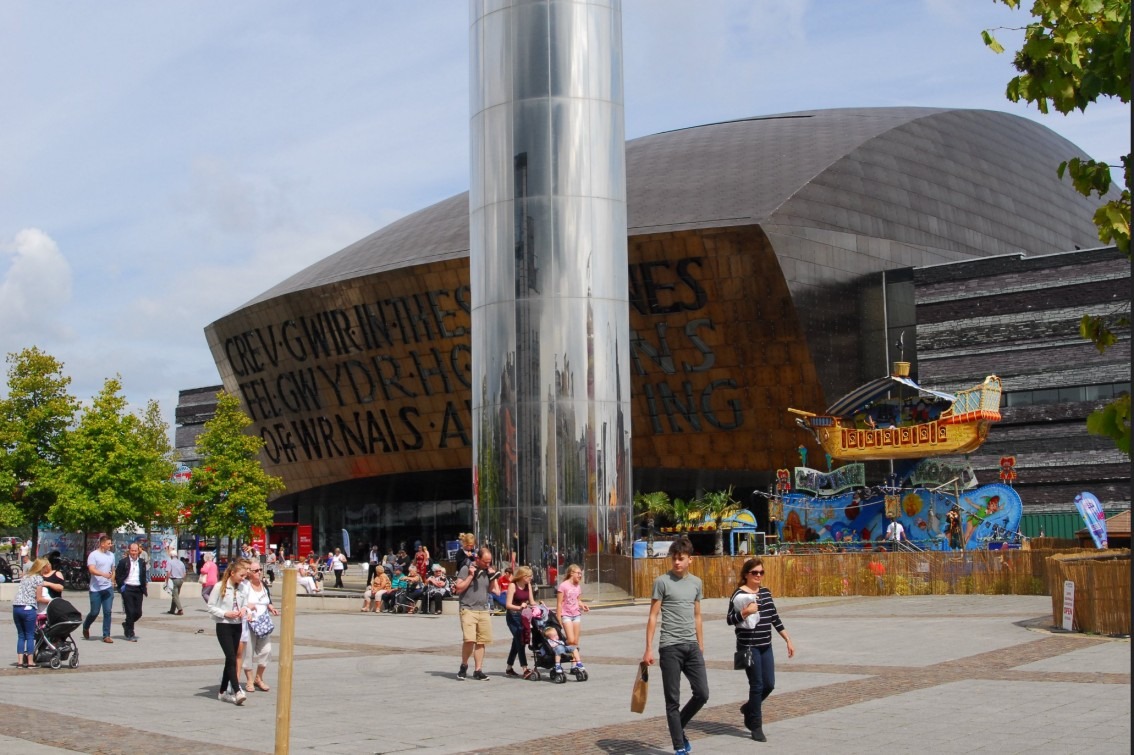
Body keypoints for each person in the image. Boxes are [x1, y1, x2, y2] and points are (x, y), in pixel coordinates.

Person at [643, 536, 706, 755]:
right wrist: (648, 648)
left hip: (691, 646)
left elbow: (698, 615)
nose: (677, 562)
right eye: (674, 559)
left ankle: (678, 727)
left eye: (681, 558)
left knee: (702, 693)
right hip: (669, 647)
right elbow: (653, 616)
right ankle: (679, 747)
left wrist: (700, 642)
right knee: (673, 700)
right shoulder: (662, 582)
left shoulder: (696, 583)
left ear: (690, 559)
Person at [730, 557, 795, 742]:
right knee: (757, 685)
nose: (758, 575)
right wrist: (745, 612)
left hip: (766, 645)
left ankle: (749, 707)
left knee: (769, 684)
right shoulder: (739, 595)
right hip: (749, 646)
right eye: (755, 572)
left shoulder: (765, 593)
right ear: (746, 574)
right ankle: (755, 725)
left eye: (761, 572)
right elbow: (729, 619)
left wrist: (787, 639)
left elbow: (774, 617)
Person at [206, 558, 251, 705]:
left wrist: (244, 610)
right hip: (224, 624)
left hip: (237, 624)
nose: (243, 579)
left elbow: (246, 604)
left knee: (230, 658)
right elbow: (211, 606)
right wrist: (225, 613)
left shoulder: (243, 587)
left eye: (245, 576)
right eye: (241, 576)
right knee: (231, 657)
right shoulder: (220, 586)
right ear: (232, 573)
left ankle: (222, 691)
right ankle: (237, 690)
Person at [453, 545, 501, 680]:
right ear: (477, 558)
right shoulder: (466, 568)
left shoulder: (487, 571)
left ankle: (478, 670)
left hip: (483, 609)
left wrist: (493, 577)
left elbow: (495, 591)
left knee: (481, 641)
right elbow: (458, 588)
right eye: (485, 561)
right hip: (468, 608)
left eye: (489, 561)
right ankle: (464, 665)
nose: (488, 564)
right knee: (469, 640)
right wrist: (470, 576)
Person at [240, 560, 280, 694]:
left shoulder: (263, 585)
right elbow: (242, 602)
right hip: (249, 623)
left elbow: (267, 600)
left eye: (260, 570)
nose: (259, 572)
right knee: (248, 653)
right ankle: (250, 680)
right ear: (249, 573)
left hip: (263, 623)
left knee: (266, 651)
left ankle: (259, 677)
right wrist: (247, 611)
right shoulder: (245, 586)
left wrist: (271, 607)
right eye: (255, 570)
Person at [12, 558, 51, 668]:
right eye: (45, 567)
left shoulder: (25, 577)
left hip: (16, 607)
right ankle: (30, 662)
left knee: (21, 635)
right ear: (41, 568)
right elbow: (39, 598)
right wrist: (52, 601)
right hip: (29, 609)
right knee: (29, 635)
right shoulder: (38, 579)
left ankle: (20, 662)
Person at [504, 565, 536, 678]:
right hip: (513, 616)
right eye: (529, 576)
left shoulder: (528, 585)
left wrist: (540, 607)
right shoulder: (513, 585)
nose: (531, 578)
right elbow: (507, 605)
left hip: (523, 616)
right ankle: (525, 668)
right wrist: (519, 607)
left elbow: (532, 601)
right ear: (523, 576)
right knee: (520, 641)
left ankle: (509, 668)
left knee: (516, 642)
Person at [82, 535, 117, 644]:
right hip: (95, 588)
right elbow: (92, 570)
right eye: (108, 543)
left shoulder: (111, 555)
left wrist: (112, 580)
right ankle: (86, 626)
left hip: (107, 588)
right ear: (102, 544)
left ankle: (106, 635)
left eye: (110, 543)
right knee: (94, 612)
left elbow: (113, 569)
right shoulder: (94, 555)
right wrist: (103, 574)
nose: (110, 545)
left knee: (107, 612)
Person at [557, 563, 589, 673]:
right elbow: (559, 603)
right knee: (570, 640)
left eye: (581, 574)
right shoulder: (563, 586)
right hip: (566, 615)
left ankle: (574, 665)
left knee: (575, 641)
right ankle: (562, 649)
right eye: (578, 573)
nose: (580, 576)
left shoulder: (578, 586)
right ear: (571, 573)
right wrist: (558, 618)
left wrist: (582, 605)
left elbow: (577, 600)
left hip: (576, 615)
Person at [115, 542, 148, 642]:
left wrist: (144, 585)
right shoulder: (123, 562)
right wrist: (122, 586)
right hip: (127, 588)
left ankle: (127, 624)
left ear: (139, 551)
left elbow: (143, 575)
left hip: (138, 589)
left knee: (138, 613)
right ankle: (130, 633)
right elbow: (118, 575)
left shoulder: (142, 562)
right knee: (130, 612)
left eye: (135, 551)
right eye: (132, 551)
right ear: (129, 551)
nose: (134, 553)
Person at [166, 546, 186, 615]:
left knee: (175, 596)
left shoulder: (170, 562)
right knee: (175, 595)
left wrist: (167, 581)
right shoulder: (181, 563)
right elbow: (184, 573)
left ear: (171, 556)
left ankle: (180, 609)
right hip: (180, 580)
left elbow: (168, 572)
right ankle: (172, 610)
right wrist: (182, 579)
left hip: (174, 580)